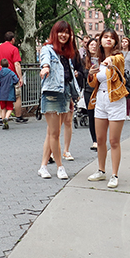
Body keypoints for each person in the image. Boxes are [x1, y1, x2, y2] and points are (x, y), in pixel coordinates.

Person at [87, 29, 128, 188]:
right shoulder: (97, 60)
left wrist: (110, 61)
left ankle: (114, 174)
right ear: (100, 41)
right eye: (105, 37)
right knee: (100, 139)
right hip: (100, 100)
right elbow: (93, 83)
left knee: (114, 140)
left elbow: (116, 61)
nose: (108, 40)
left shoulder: (118, 57)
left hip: (116, 100)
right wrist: (91, 74)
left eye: (112, 38)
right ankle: (101, 170)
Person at [38, 21, 78, 179]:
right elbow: (44, 60)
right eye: (61, 32)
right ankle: (60, 167)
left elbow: (67, 78)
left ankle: (43, 166)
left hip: (65, 94)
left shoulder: (65, 53)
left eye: (67, 32)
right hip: (52, 94)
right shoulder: (48, 49)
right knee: (55, 133)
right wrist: (45, 67)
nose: (64, 35)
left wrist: (72, 97)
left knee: (51, 133)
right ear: (55, 33)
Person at [0, 31, 27, 124]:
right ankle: (18, 116)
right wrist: (20, 78)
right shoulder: (14, 49)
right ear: (13, 39)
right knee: (17, 96)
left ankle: (0, 118)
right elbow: (17, 64)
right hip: (11, 77)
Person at [81, 37, 100, 151]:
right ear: (87, 47)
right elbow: (82, 74)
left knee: (101, 116)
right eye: (91, 44)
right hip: (89, 90)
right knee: (91, 115)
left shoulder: (103, 59)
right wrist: (89, 73)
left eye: (95, 44)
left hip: (100, 90)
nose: (93, 46)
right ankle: (95, 140)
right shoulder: (84, 60)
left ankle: (101, 139)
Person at [0, 59, 18, 129]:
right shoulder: (11, 73)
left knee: (3, 109)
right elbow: (16, 80)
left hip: (2, 93)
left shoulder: (0, 73)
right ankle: (6, 118)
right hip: (10, 93)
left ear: (0, 65)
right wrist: (13, 83)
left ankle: (3, 123)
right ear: (9, 65)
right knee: (10, 108)